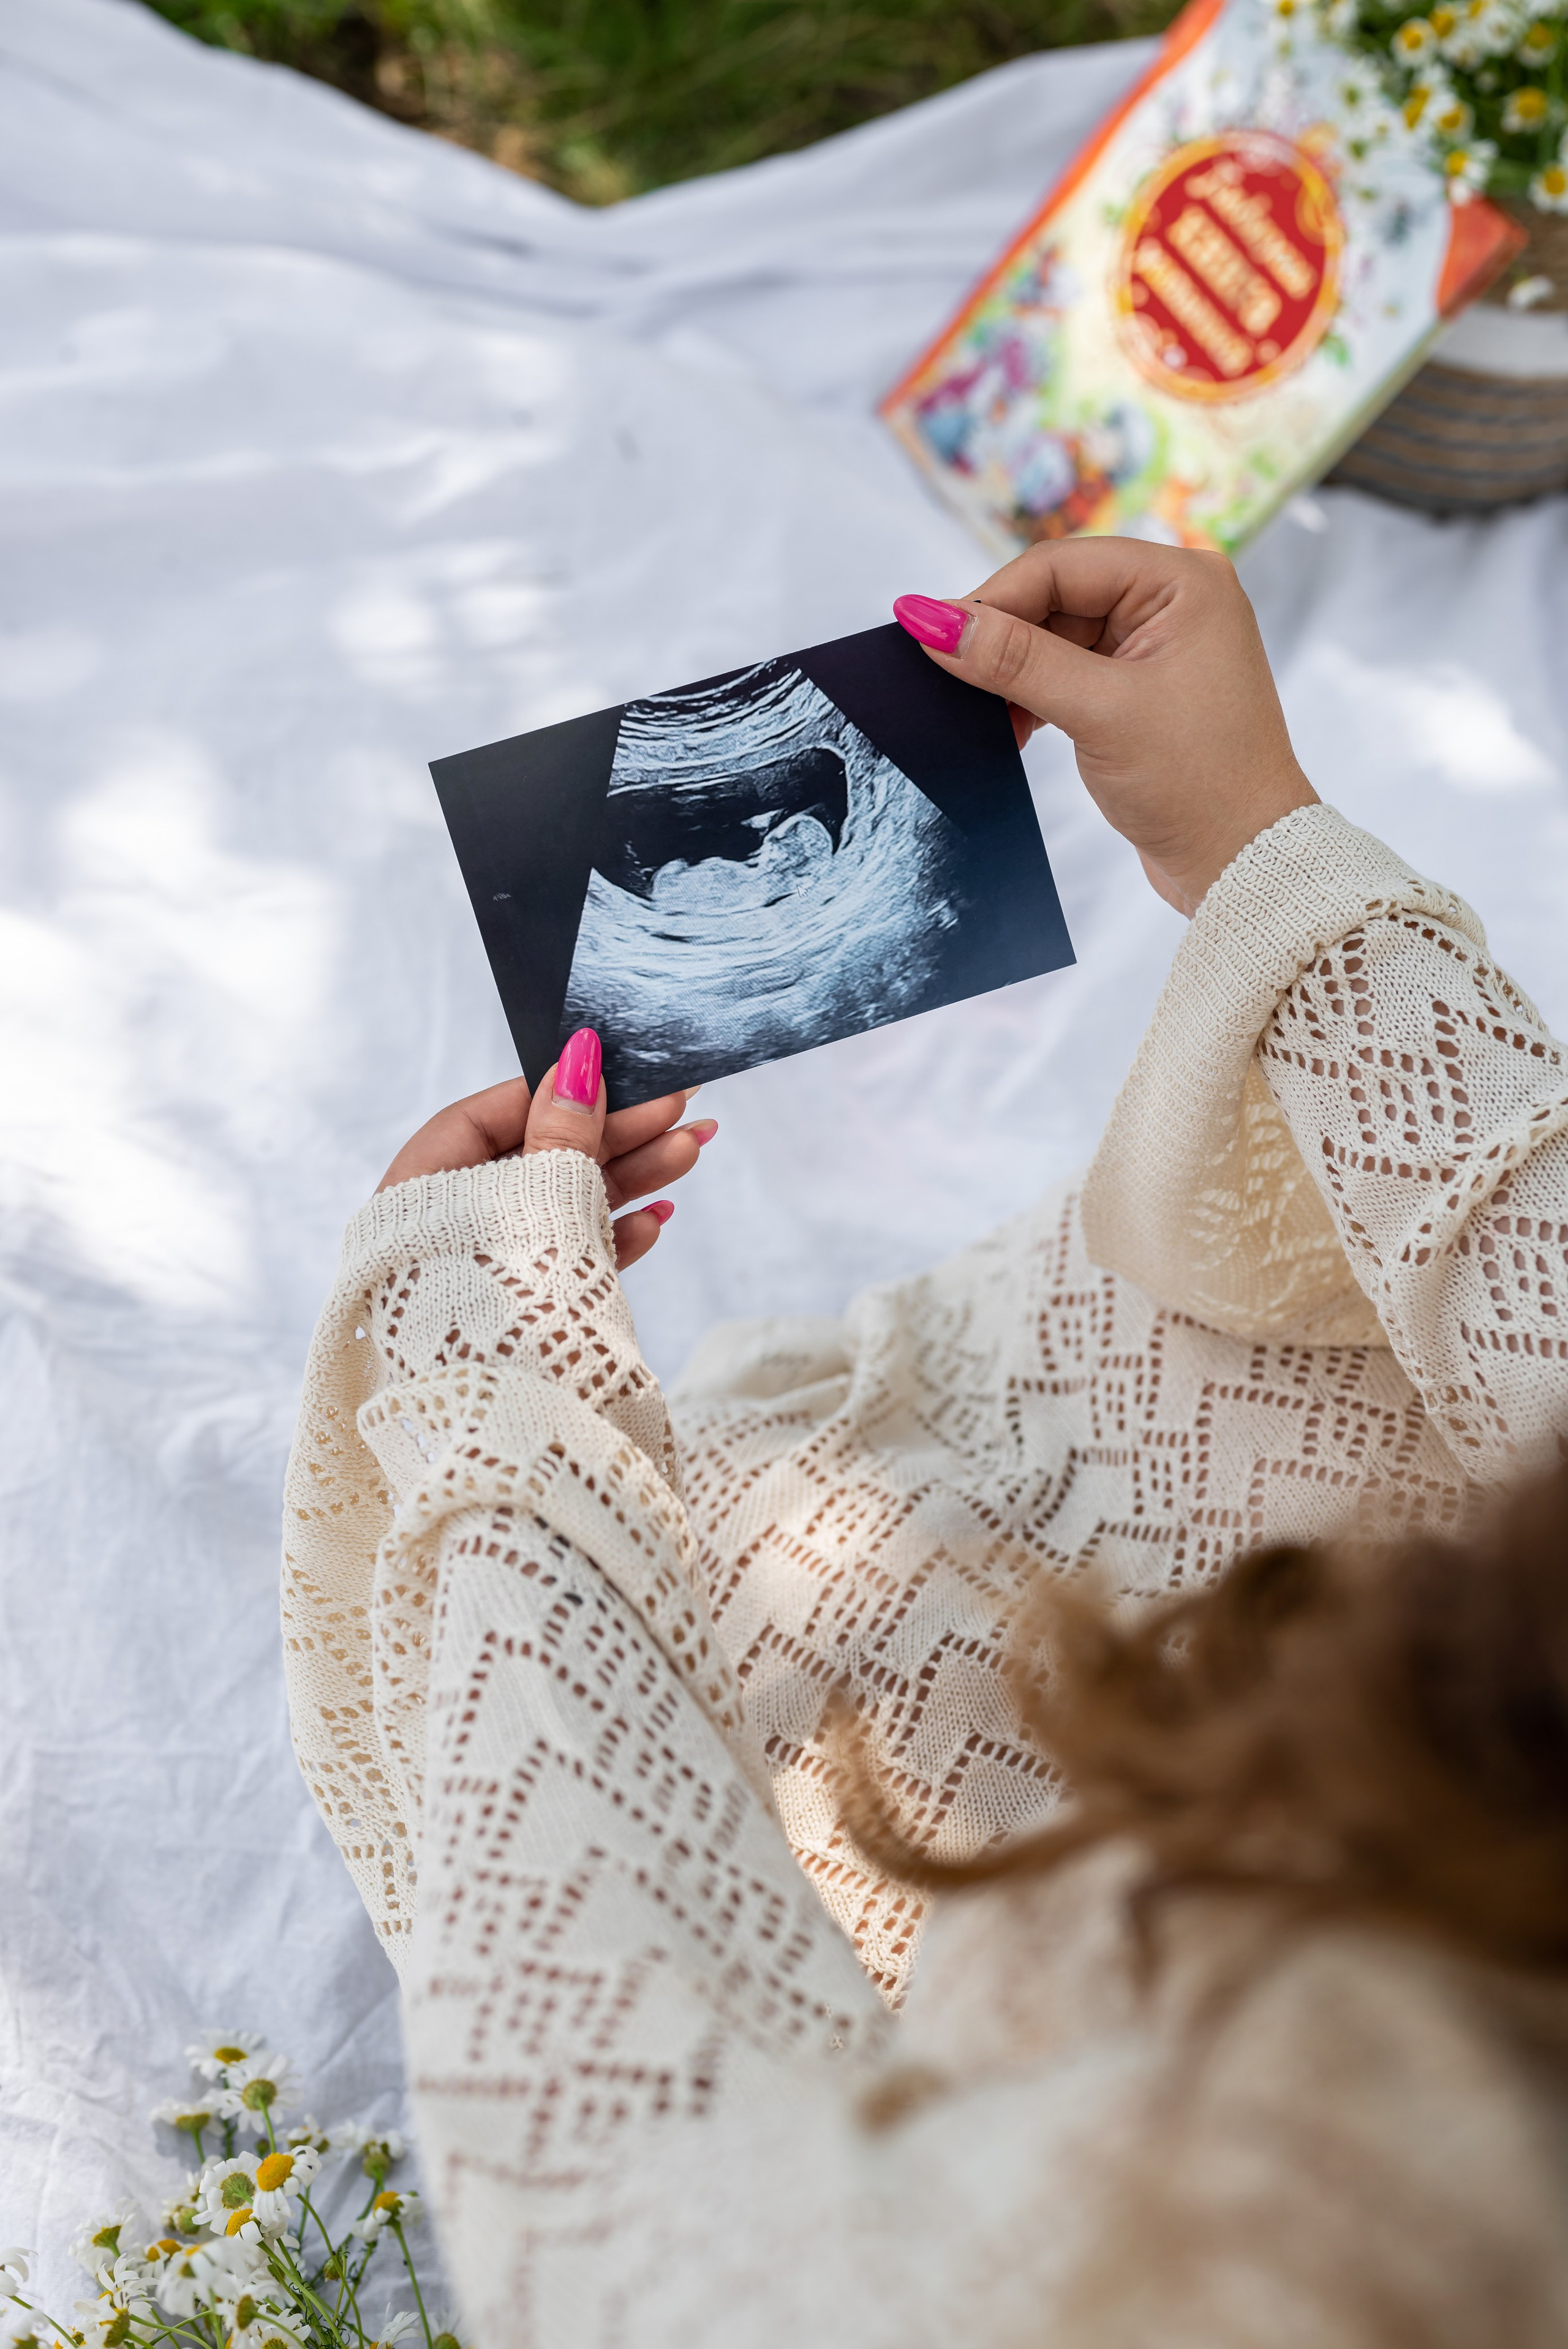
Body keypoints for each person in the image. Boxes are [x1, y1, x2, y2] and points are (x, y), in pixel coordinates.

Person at [281, 540, 1568, 2345]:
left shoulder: (1349, 2201)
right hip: (1335, 1644)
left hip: (1038, 1996)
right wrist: (1260, 846)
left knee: (704, 1630)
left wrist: (501, 1407)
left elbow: (638, 2229)